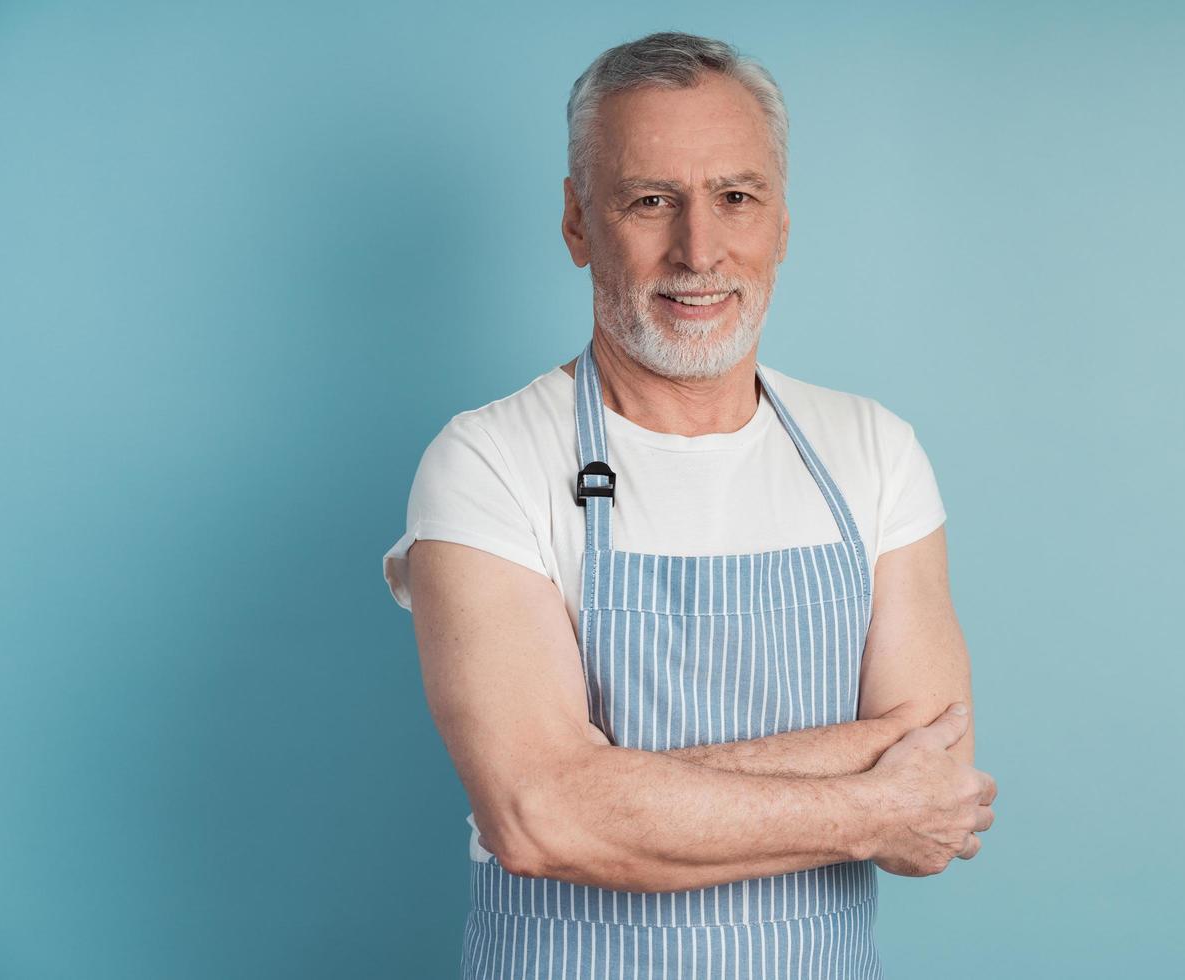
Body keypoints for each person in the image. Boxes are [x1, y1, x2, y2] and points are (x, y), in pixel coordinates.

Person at [381, 30, 997, 979]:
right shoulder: (489, 461)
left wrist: (615, 789)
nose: (698, 250)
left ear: (782, 222)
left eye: (735, 198)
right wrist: (872, 797)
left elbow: (938, 784)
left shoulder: (872, 452)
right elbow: (540, 817)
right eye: (651, 200)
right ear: (580, 221)